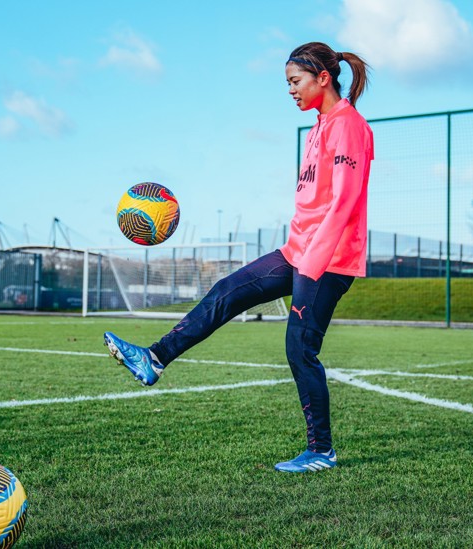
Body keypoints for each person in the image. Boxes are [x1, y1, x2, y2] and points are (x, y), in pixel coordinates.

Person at [104, 42, 374, 473]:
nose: (291, 91)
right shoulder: (320, 125)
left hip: (328, 260)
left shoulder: (348, 127)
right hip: (297, 251)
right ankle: (153, 358)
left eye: (295, 81)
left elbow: (343, 204)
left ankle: (321, 450)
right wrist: (299, 252)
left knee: (300, 348)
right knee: (229, 289)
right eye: (287, 83)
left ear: (323, 78)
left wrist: (311, 264)